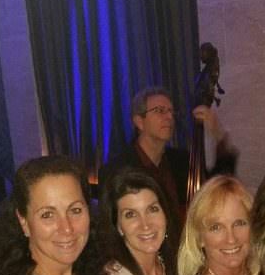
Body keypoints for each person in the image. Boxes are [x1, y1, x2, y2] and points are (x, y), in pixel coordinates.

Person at [98, 85, 237, 237]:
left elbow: (218, 187)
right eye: (160, 111)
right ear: (139, 122)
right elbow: (110, 229)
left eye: (171, 111)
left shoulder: (182, 160)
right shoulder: (115, 170)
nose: (169, 117)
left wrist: (218, 134)